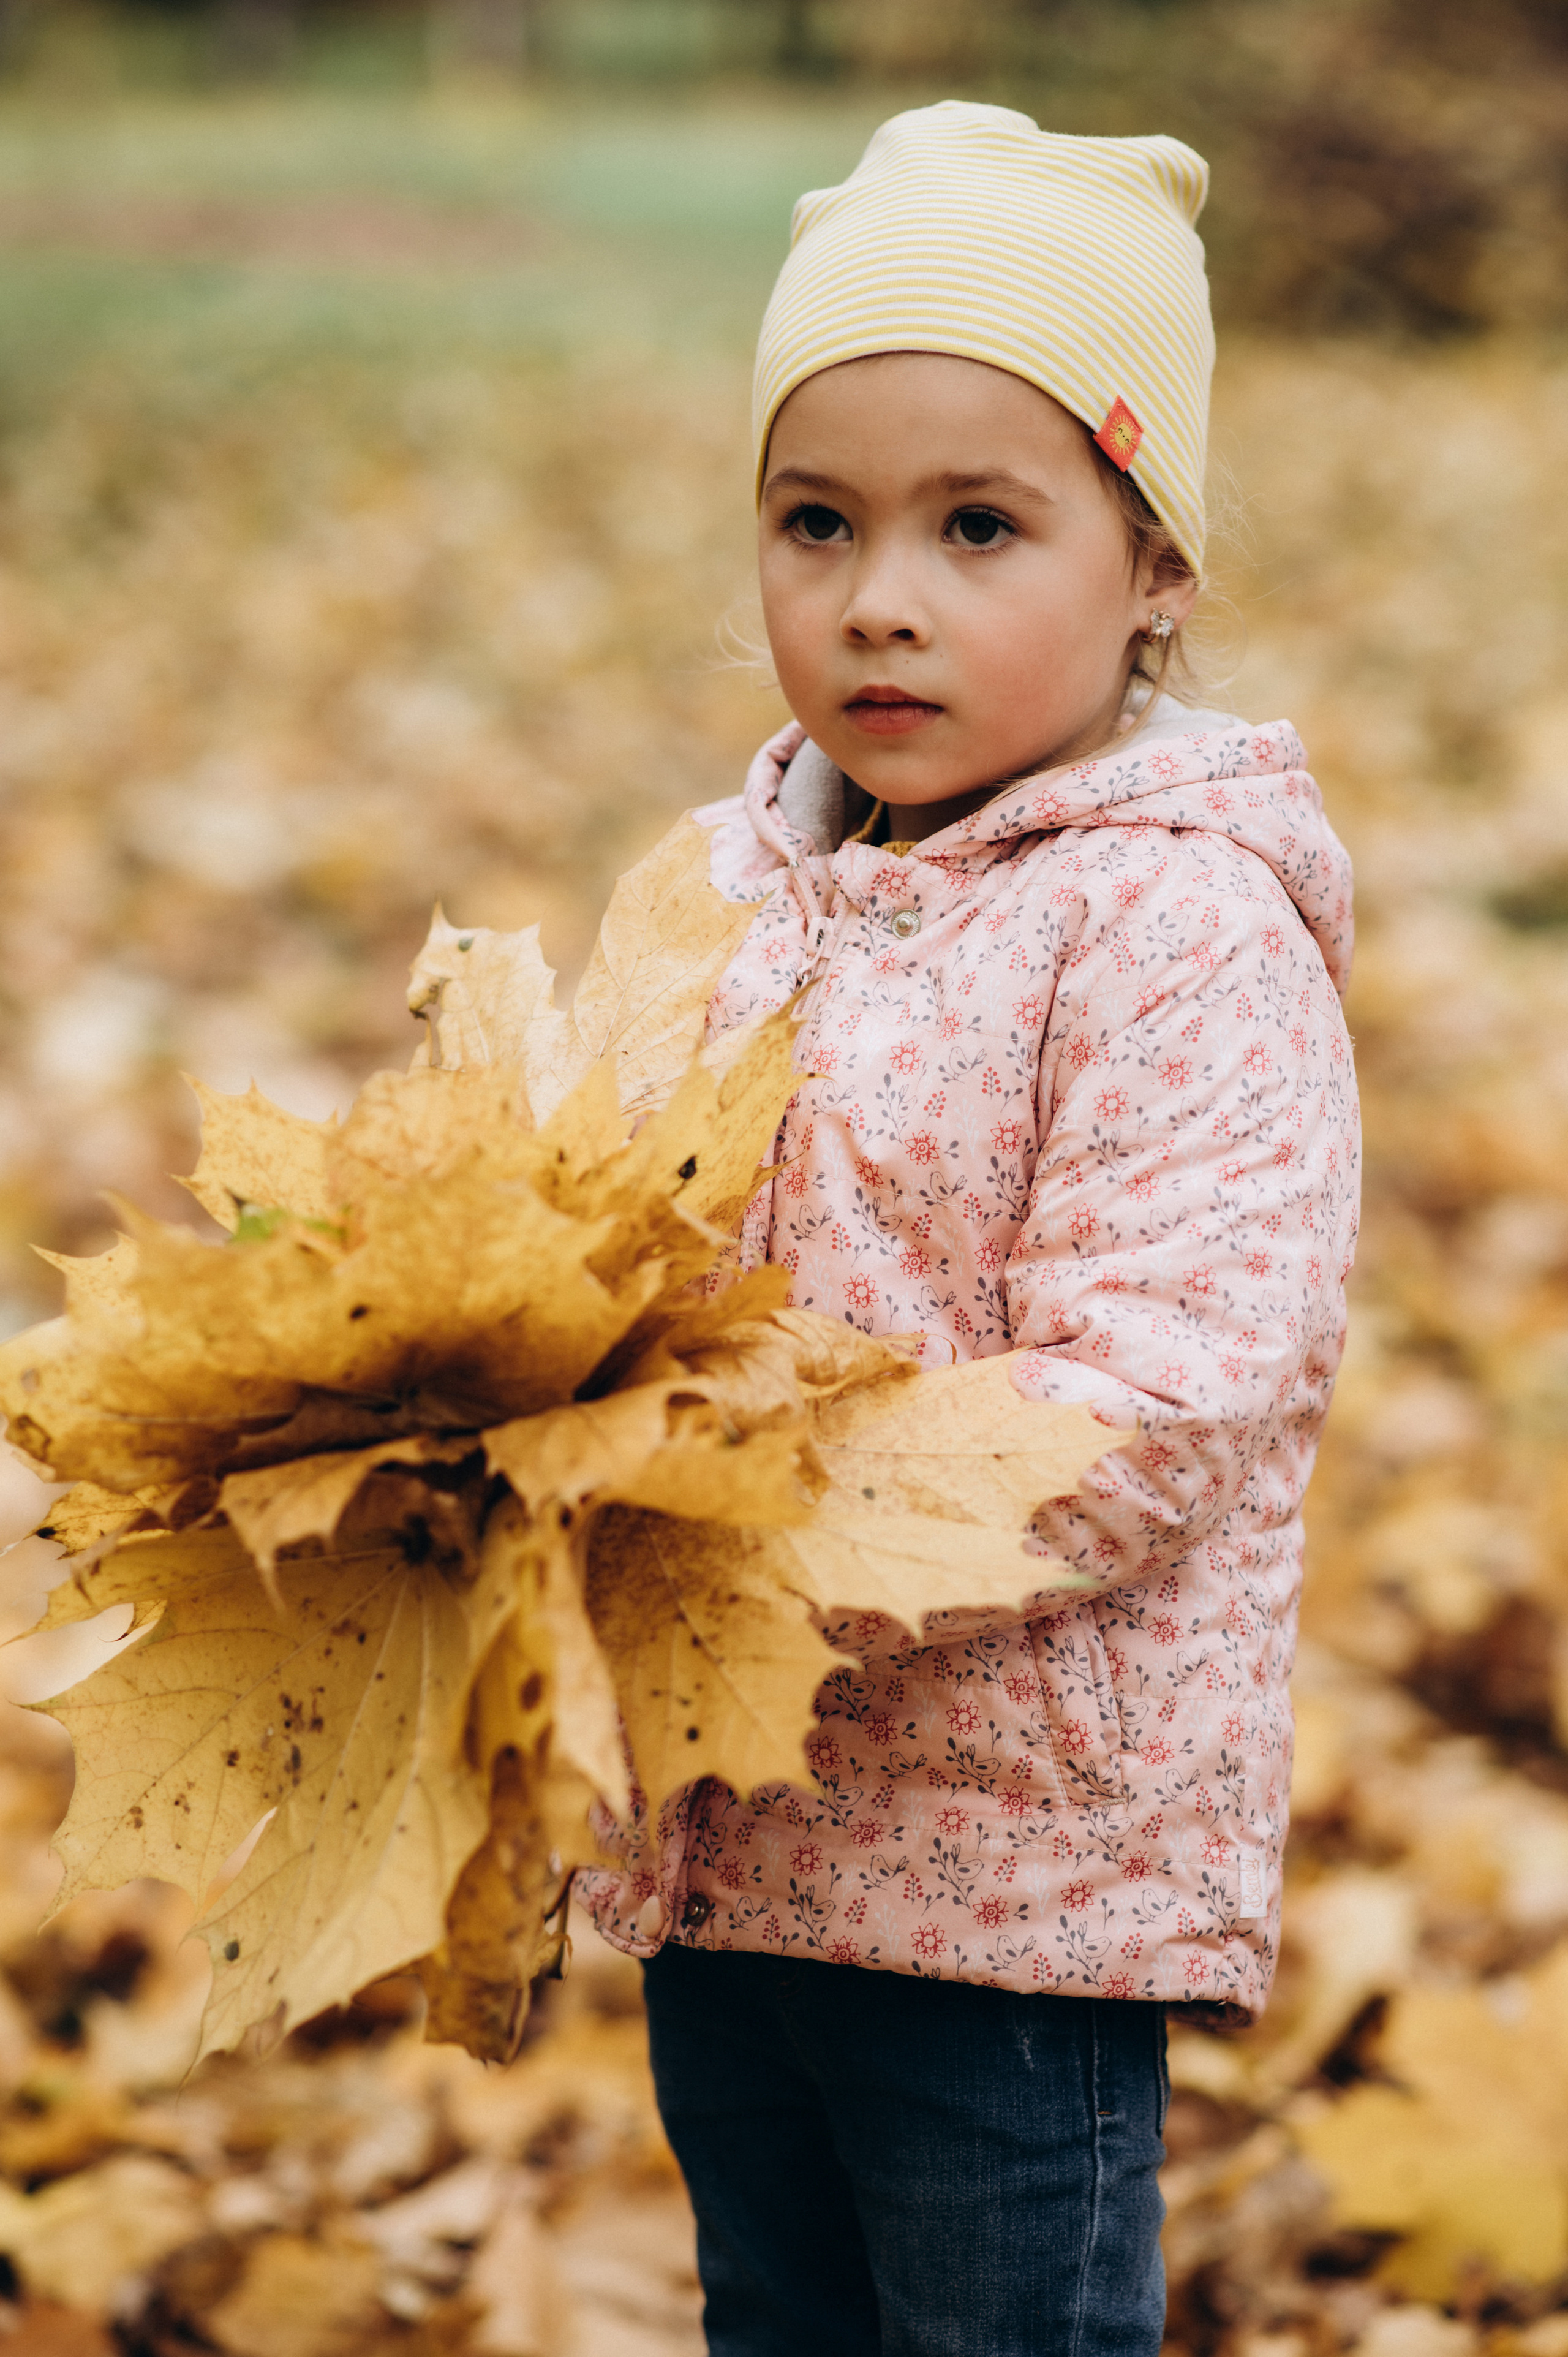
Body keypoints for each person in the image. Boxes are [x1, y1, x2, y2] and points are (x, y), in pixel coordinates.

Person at [578, 99, 1360, 2357]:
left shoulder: (1178, 928)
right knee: (781, 2312)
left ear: (1156, 571)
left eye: (981, 525)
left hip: (1017, 1885)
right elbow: (596, 1249)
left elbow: (1173, 1388)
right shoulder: (722, 893)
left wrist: (767, 1527)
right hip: (733, 1839)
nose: (878, 595)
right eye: (815, 521)